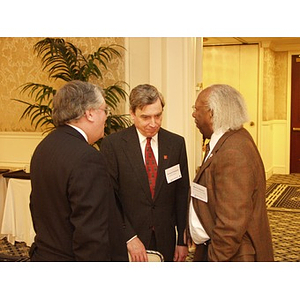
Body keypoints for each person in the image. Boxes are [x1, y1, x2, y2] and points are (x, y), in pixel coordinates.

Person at [29, 80, 128, 261]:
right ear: (90, 113)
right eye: (105, 110)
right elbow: (91, 234)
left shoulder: (44, 147)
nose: (106, 117)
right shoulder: (87, 158)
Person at [101, 84, 190, 262]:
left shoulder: (176, 144)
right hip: (129, 239)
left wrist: (181, 239)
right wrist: (129, 237)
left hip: (165, 238)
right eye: (145, 117)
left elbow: (181, 193)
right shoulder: (113, 145)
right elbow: (110, 197)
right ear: (132, 114)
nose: (153, 123)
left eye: (158, 115)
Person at [188, 84, 274, 262]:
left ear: (212, 113)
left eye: (197, 109)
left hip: (231, 256)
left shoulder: (233, 152)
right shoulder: (230, 139)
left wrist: (214, 259)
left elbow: (232, 223)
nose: (194, 114)